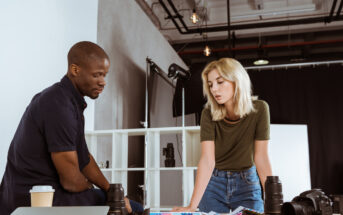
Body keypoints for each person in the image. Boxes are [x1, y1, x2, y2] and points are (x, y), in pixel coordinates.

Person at [0, 41, 142, 215]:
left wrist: (110, 190)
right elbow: (71, 181)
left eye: (104, 75)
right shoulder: (58, 104)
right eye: (97, 75)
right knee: (133, 210)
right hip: (35, 199)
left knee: (123, 203)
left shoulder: (68, 101)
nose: (103, 82)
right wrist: (90, 186)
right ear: (75, 70)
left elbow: (84, 159)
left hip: (49, 194)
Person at [172, 58, 272, 213]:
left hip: (247, 183)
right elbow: (207, 160)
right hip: (214, 183)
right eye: (210, 84)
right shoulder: (208, 113)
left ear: (236, 80)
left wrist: (274, 202)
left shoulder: (260, 109)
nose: (214, 89)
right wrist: (192, 206)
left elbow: (261, 158)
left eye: (220, 82)